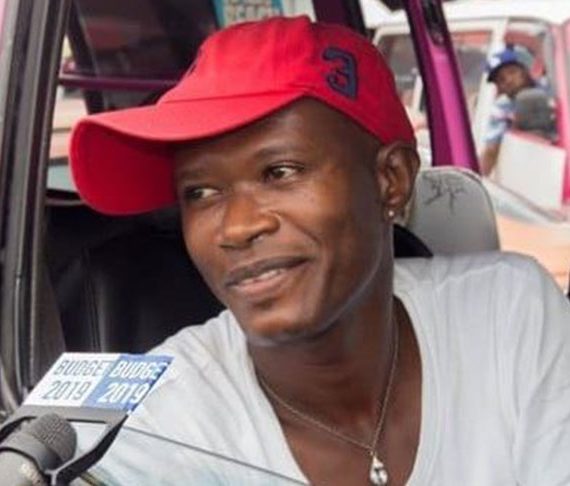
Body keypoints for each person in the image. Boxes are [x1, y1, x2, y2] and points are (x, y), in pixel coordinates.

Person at [69, 16, 570, 485]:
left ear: (391, 179)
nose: (237, 227)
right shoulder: (154, 419)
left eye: (280, 172)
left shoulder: (507, 315)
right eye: (200, 193)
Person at [479, 47, 553, 176]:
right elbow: (491, 150)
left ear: (524, 70)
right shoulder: (501, 110)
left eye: (512, 72)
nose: (508, 80)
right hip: (538, 166)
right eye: (501, 79)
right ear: (499, 88)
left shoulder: (551, 87)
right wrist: (478, 179)